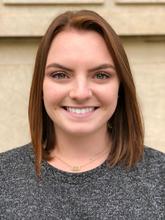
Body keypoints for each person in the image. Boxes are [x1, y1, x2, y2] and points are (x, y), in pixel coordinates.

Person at [0, 10, 164, 219]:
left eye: (101, 75)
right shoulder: (4, 177)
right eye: (60, 75)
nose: (80, 93)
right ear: (40, 86)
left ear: (120, 86)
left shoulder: (159, 178)